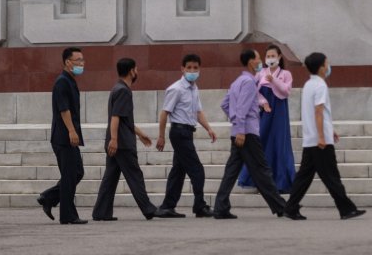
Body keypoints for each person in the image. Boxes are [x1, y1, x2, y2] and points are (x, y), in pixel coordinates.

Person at [283, 52, 365, 221]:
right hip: (320, 141)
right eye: (327, 64)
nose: (329, 67)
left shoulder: (308, 85)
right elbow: (318, 111)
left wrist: (329, 130)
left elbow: (319, 113)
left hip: (310, 138)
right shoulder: (320, 86)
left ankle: (290, 207)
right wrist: (322, 136)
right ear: (321, 68)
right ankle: (346, 208)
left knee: (304, 177)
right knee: (331, 175)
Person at [213, 49, 287, 219]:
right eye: (258, 58)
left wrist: (235, 123)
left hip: (239, 132)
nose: (261, 61)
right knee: (262, 170)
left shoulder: (237, 82)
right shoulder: (248, 82)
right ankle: (281, 206)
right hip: (247, 133)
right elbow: (242, 108)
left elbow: (225, 104)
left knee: (232, 171)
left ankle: (220, 207)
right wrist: (240, 129)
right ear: (250, 62)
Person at [92, 58, 164, 221]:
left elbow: (124, 119)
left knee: (110, 178)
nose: (137, 72)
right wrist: (115, 139)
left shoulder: (117, 88)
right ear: (131, 71)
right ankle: (148, 209)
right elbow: (115, 117)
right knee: (135, 176)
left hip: (118, 141)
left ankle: (101, 212)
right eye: (136, 69)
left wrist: (139, 133)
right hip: (122, 144)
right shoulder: (123, 90)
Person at [154, 54, 218, 218]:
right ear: (182, 69)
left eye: (195, 68)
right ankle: (200, 206)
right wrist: (161, 136)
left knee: (178, 171)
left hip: (188, 132)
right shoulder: (176, 89)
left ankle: (167, 206)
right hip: (179, 133)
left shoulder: (194, 88)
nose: (192, 71)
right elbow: (164, 113)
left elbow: (198, 112)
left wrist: (208, 128)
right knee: (197, 170)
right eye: (188, 67)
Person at [38, 47, 87, 224]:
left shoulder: (70, 80)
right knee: (70, 175)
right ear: (68, 62)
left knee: (76, 173)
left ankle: (49, 197)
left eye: (83, 60)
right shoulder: (62, 82)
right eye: (78, 60)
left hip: (68, 136)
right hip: (63, 137)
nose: (82, 63)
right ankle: (68, 215)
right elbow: (63, 109)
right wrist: (72, 131)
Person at [238, 44, 296, 193]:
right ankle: (259, 180)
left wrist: (273, 80)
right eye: (268, 56)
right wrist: (263, 103)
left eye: (273, 56)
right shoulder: (260, 72)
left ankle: (282, 181)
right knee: (262, 141)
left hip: (280, 112)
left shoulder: (285, 73)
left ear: (279, 57)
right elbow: (253, 91)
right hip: (265, 112)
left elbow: (286, 91)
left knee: (279, 143)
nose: (270, 59)